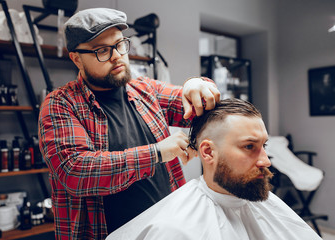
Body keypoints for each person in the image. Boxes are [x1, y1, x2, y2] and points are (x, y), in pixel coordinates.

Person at [37, 7, 220, 240]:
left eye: (120, 44)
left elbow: (195, 103)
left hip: (167, 229)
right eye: (102, 50)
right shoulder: (61, 104)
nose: (116, 56)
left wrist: (196, 83)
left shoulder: (145, 90)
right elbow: (75, 170)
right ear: (76, 59)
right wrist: (156, 153)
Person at [106, 98, 322, 240]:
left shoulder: (269, 206)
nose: (266, 161)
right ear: (208, 152)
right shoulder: (175, 230)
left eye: (263, 146)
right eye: (249, 146)